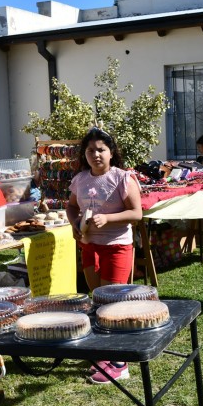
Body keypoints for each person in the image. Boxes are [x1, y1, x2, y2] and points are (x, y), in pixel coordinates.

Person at [66, 126, 143, 384]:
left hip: (117, 245)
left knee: (113, 304)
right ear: (84, 154)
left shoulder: (123, 178)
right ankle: (104, 353)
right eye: (90, 150)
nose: (96, 154)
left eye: (101, 149)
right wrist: (75, 225)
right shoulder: (80, 179)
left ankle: (120, 363)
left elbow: (136, 213)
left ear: (111, 153)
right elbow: (72, 206)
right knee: (98, 302)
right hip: (89, 246)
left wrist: (107, 218)